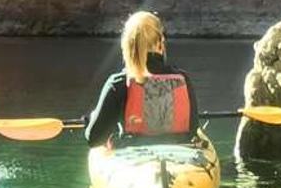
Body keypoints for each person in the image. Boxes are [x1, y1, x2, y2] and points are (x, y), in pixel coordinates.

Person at [83, 10, 197, 146]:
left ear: (127, 46)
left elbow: (95, 140)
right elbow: (192, 129)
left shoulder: (119, 83)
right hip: (178, 154)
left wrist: (91, 120)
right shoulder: (183, 79)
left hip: (133, 153)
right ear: (160, 42)